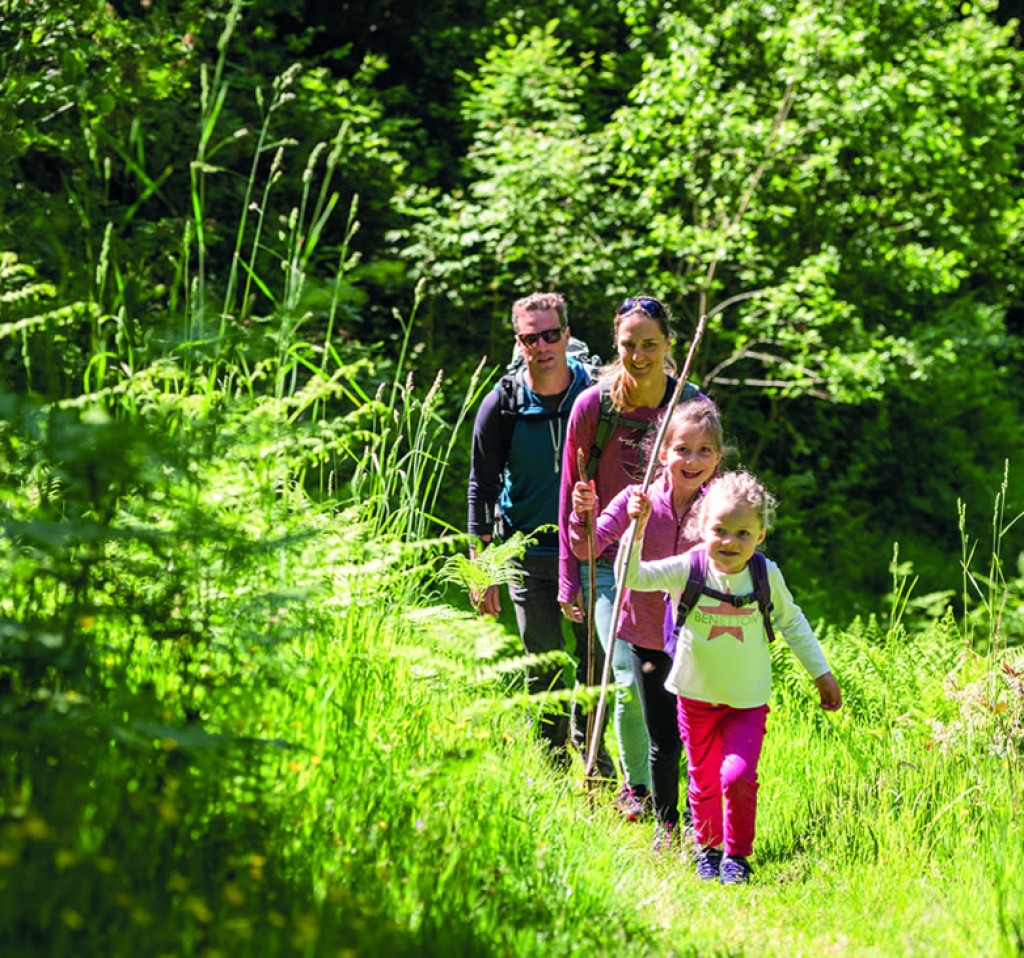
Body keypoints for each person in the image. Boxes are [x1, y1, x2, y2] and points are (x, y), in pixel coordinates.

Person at [620, 469, 843, 883]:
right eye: (720, 530)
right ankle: (708, 850)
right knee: (704, 782)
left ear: (760, 535)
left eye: (743, 533)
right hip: (694, 698)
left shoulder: (764, 575)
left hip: (746, 701)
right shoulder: (689, 568)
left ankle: (736, 857)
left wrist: (821, 674)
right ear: (701, 528)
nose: (729, 542)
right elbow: (632, 577)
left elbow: (792, 622)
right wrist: (636, 530)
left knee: (737, 776)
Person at [568, 397, 726, 849]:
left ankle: (702, 824)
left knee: (699, 738)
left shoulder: (719, 507)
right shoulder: (637, 501)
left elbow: (743, 551)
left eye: (704, 452)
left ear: (717, 457)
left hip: (703, 639)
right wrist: (584, 512)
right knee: (662, 739)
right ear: (662, 453)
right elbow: (588, 546)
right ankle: (666, 823)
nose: (692, 461)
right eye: (682, 450)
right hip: (646, 637)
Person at [558, 295, 692, 819]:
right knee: (625, 677)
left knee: (674, 678)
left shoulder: (688, 404)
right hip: (607, 562)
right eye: (629, 345)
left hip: (677, 568)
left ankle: (668, 775)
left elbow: (710, 488)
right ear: (616, 344)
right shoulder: (594, 406)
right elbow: (571, 489)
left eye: (650, 345)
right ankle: (637, 788)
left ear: (668, 344)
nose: (639, 355)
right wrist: (569, 577)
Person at [467, 291, 597, 765]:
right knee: (542, 664)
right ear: (518, 342)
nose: (541, 346)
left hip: (593, 552)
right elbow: (480, 486)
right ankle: (551, 761)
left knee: (595, 659)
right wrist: (482, 569)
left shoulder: (597, 394)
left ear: (566, 334)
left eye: (549, 335)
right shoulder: (501, 404)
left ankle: (594, 757)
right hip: (528, 553)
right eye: (529, 338)